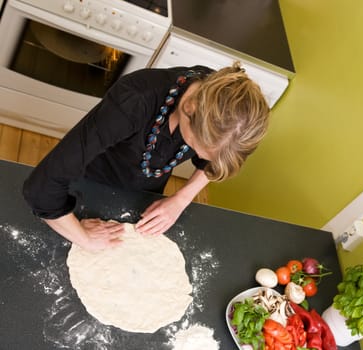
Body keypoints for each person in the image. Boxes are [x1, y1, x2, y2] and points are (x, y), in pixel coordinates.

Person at [22, 62, 270, 252]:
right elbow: (41, 188)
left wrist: (181, 199)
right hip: (89, 185)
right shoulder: (134, 101)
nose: (201, 156)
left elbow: (215, 162)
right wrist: (84, 237)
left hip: (144, 196)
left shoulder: (226, 111)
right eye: (196, 146)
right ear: (189, 109)